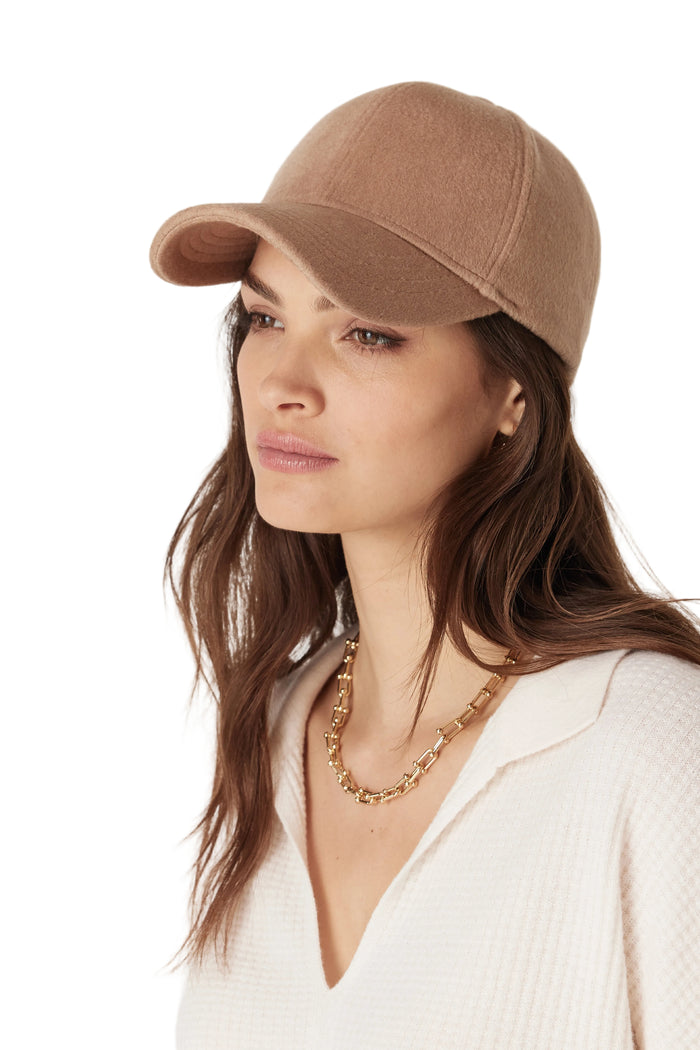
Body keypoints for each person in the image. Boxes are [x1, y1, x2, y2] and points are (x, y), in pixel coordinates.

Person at [150, 83, 700, 1049]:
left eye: (367, 333)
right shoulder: (279, 725)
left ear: (513, 396)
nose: (281, 383)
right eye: (264, 319)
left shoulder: (651, 749)